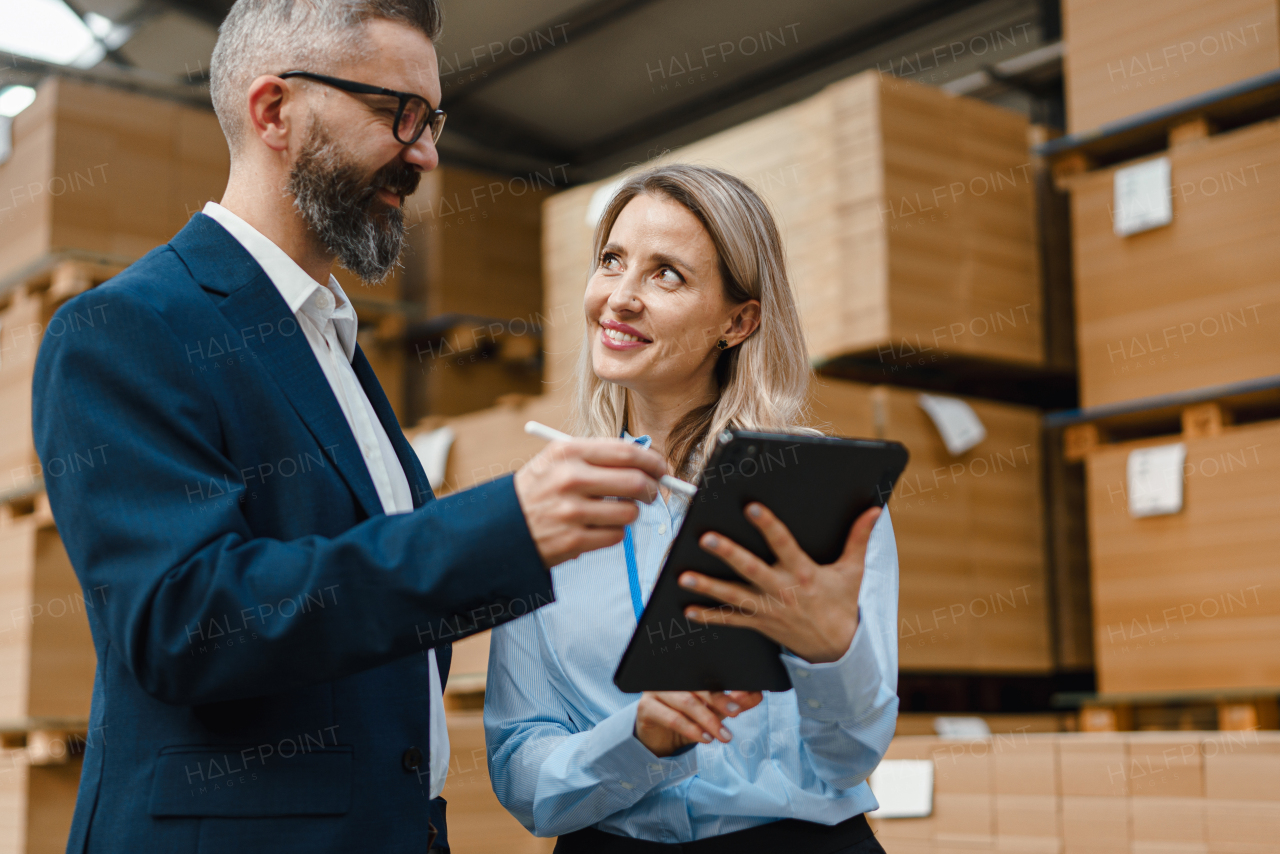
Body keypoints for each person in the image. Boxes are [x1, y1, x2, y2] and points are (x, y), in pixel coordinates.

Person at [30, 2, 667, 852]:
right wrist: (502, 527)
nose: (427, 154)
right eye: (397, 114)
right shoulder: (125, 330)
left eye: (432, 120)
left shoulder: (326, 342)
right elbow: (185, 624)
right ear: (274, 112)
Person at [484, 164, 899, 852]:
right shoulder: (549, 502)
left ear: (738, 322)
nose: (619, 298)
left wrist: (832, 653)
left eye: (665, 274)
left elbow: (849, 758)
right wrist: (638, 738)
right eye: (611, 261)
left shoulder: (813, 490)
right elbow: (520, 770)